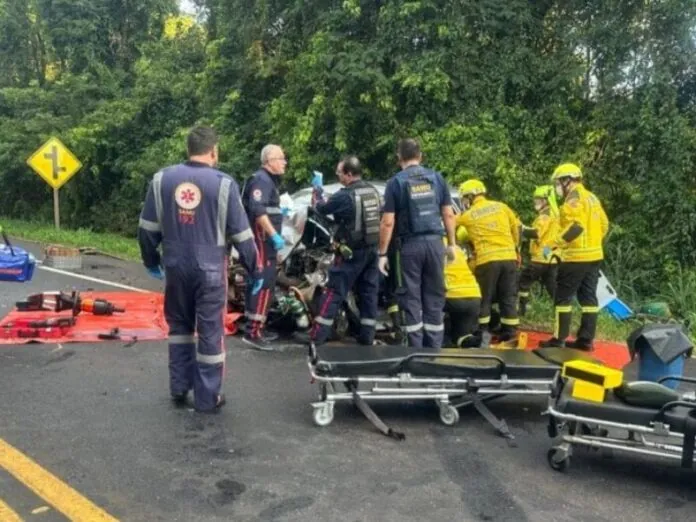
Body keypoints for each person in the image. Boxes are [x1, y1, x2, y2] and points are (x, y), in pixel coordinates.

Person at [137, 126, 260, 414]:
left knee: (179, 327)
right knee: (210, 333)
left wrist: (151, 262)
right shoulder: (224, 184)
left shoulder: (161, 180)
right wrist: (254, 269)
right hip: (210, 270)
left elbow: (147, 230)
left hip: (175, 266)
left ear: (188, 148)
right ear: (214, 151)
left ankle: (179, 387)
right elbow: (243, 235)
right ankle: (207, 398)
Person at [378, 138, 456, 351]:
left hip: (409, 247)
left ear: (398, 158)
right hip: (435, 244)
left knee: (411, 297)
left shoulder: (395, 183)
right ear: (420, 156)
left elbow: (387, 222)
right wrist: (452, 244)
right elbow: (448, 214)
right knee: (435, 296)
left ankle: (415, 350)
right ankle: (434, 350)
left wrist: (382, 254)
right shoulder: (437, 179)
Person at [306, 156, 381, 345]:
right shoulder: (372, 191)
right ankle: (367, 336)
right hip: (372, 251)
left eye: (339, 173)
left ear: (348, 174)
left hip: (350, 253)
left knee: (333, 292)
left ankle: (318, 336)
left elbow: (320, 208)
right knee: (369, 294)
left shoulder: (345, 195)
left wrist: (317, 190)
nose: (338, 176)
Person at [540, 163, 609, 350]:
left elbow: (575, 227)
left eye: (557, 183)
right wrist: (593, 243)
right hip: (594, 256)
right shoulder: (592, 197)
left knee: (563, 298)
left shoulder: (574, 198)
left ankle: (558, 339)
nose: (557, 187)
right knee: (588, 299)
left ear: (566, 181)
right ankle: (585, 341)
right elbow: (604, 224)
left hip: (576, 257)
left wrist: (555, 246)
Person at [456, 179, 521, 342]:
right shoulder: (502, 207)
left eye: (464, 198)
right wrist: (515, 248)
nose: (464, 202)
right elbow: (517, 227)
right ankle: (510, 332)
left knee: (484, 297)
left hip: (487, 259)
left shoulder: (468, 215)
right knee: (508, 296)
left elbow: (450, 225)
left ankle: (482, 331)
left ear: (470, 196)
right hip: (509, 257)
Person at [240, 144, 287, 351]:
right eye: (281, 158)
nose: (284, 162)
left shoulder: (270, 182)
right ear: (269, 161)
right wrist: (274, 235)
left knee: (259, 283)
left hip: (266, 243)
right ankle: (253, 331)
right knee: (264, 282)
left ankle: (256, 326)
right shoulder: (261, 180)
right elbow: (258, 211)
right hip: (262, 241)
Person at [518, 185, 560, 316]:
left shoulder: (545, 216)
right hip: (551, 257)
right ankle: (562, 313)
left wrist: (522, 229)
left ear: (546, 200)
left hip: (540, 259)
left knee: (522, 281)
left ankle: (521, 310)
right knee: (552, 288)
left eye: (539, 199)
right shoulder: (554, 214)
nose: (535, 201)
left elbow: (537, 234)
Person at [444, 237, 482, 347]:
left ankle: (443, 342)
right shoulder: (457, 247)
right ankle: (471, 340)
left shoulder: (432, 245)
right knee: (461, 337)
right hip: (474, 294)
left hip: (451, 295)